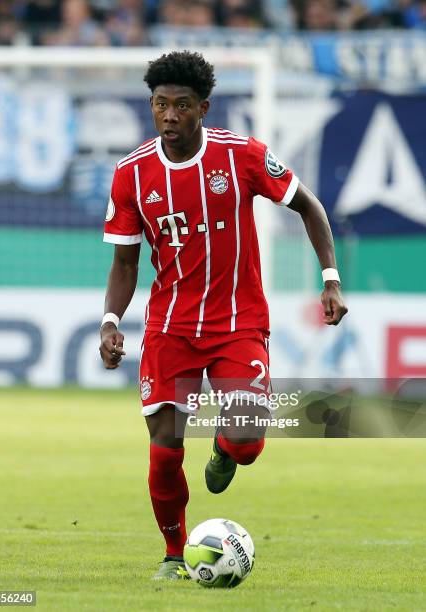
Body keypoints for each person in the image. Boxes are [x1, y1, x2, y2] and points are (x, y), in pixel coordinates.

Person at [99, 51, 347, 580]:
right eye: (160, 104)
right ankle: (172, 555)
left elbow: (310, 207)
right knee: (164, 449)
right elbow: (124, 261)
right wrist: (111, 322)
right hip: (170, 329)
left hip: (239, 325)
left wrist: (330, 279)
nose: (169, 115)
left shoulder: (242, 155)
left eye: (181, 105)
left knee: (247, 443)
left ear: (203, 107)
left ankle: (226, 448)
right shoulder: (131, 174)